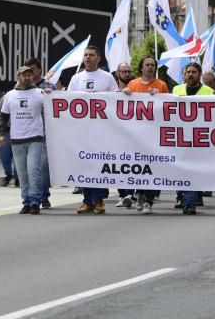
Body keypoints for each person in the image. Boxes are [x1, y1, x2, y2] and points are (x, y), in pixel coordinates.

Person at [66, 45, 119, 214]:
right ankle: (87, 200)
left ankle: (99, 200)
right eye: (85, 55)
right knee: (84, 164)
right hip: (82, 130)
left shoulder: (107, 77)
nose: (87, 58)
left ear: (98, 58)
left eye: (91, 55)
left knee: (98, 163)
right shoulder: (76, 78)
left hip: (101, 129)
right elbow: (67, 100)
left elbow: (115, 99)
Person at [0, 65, 47, 215]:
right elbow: (3, 117)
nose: (27, 77)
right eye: (24, 75)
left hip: (35, 137)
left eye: (29, 75)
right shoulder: (10, 95)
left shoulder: (40, 93)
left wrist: (52, 95)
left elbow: (53, 109)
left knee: (34, 170)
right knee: (22, 173)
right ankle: (26, 201)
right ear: (18, 77)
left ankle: (35, 202)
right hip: (17, 138)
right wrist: (0, 134)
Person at [123, 56, 169, 213]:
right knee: (140, 166)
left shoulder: (161, 85)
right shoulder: (133, 84)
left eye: (152, 65)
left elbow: (168, 108)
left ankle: (149, 200)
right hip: (136, 134)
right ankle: (140, 194)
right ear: (141, 68)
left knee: (152, 166)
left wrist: (160, 97)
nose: (150, 67)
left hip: (154, 134)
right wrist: (124, 93)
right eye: (147, 65)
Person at [168, 61, 210, 214]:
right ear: (183, 75)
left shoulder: (209, 91)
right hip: (179, 137)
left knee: (192, 170)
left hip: (199, 137)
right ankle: (182, 196)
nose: (190, 74)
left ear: (199, 74)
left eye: (193, 72)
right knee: (180, 169)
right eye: (187, 72)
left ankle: (190, 202)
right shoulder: (176, 89)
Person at [25, 57, 53, 208]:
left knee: (43, 165)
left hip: (44, 133)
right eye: (27, 71)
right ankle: (30, 196)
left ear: (40, 70)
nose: (30, 73)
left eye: (33, 70)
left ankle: (43, 196)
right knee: (28, 167)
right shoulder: (22, 88)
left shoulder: (49, 86)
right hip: (26, 132)